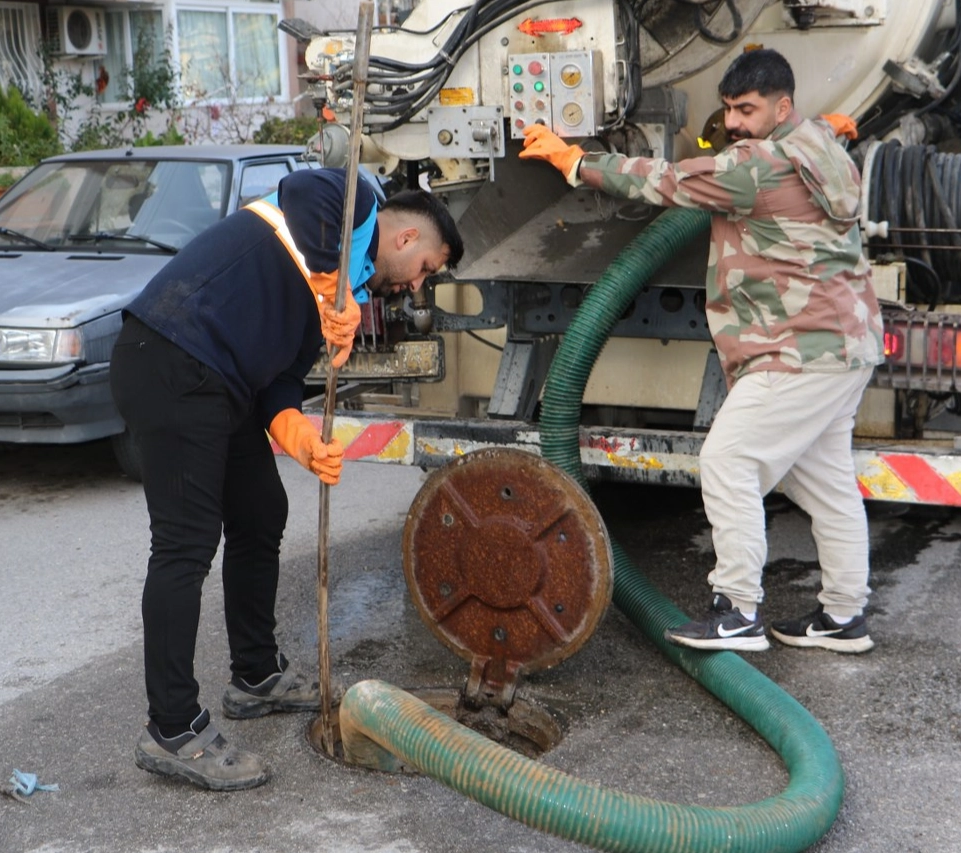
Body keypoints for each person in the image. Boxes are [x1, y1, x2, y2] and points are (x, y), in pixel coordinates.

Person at [110, 167, 463, 791]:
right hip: (170, 354)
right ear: (406, 239)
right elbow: (304, 192)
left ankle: (255, 674)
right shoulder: (355, 203)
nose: (417, 286)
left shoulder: (342, 280)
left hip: (222, 382)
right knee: (185, 545)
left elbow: (280, 377)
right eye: (428, 268)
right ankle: (173, 729)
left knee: (261, 512)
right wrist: (334, 288)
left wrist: (295, 432)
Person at [520, 49, 882, 655]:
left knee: (727, 462)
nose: (734, 123)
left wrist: (575, 160)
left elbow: (663, 180)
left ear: (782, 106)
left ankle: (737, 611)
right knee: (827, 486)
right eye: (730, 110)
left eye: (748, 109)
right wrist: (829, 124)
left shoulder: (755, 167)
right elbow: (820, 130)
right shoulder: (818, 144)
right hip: (846, 345)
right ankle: (844, 617)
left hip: (797, 350)